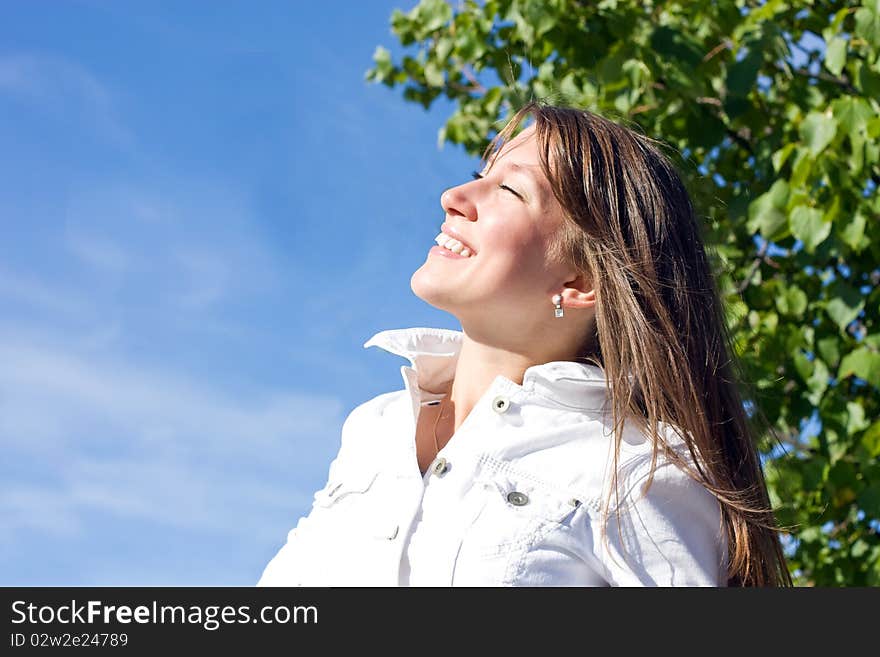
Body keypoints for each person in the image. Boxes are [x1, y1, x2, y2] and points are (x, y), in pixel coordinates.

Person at [256, 100, 792, 587]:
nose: (453, 198)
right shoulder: (375, 429)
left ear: (582, 284)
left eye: (509, 190)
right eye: (478, 176)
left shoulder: (638, 471)